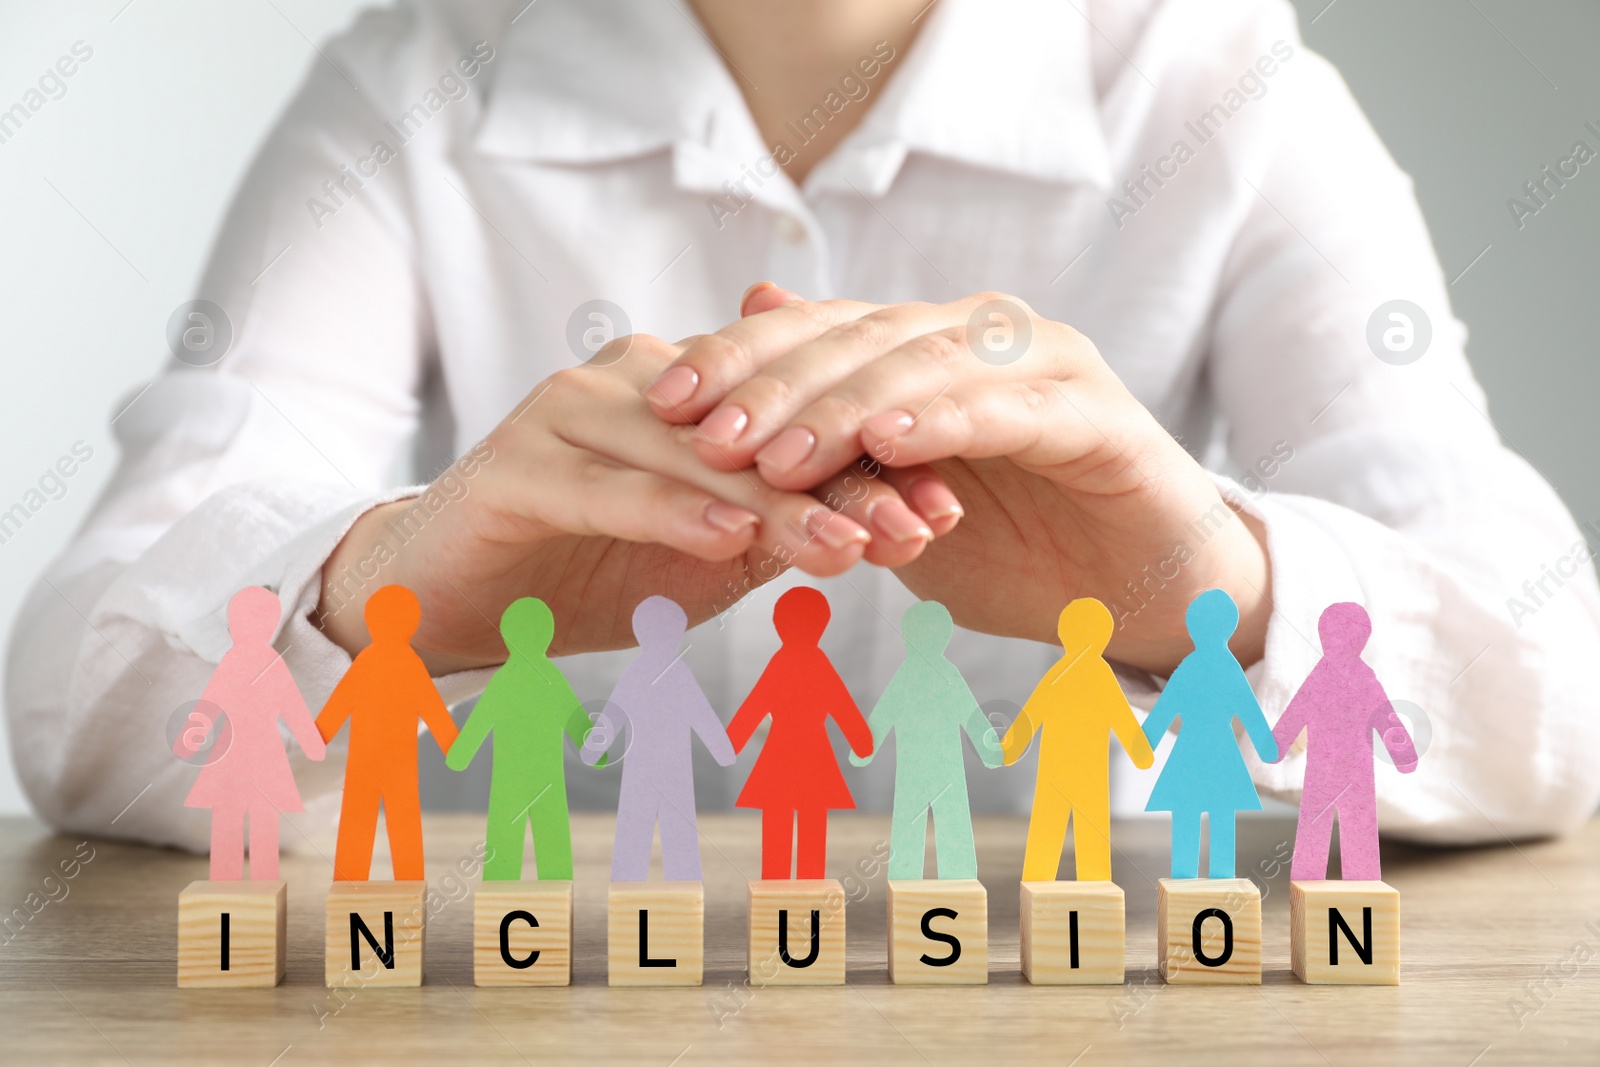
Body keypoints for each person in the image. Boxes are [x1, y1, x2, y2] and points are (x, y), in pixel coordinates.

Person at [10, 0, 1600, 851]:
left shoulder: (1222, 83)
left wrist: (1217, 578)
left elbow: (1562, 701)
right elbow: (76, 689)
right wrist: (380, 592)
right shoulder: (416, 78)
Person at [174, 586, 327, 881]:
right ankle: (252, 882)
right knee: (259, 818)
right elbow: (292, 708)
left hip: (239, 754)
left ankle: (235, 880)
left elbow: (211, 705)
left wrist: (188, 740)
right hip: (260, 755)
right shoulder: (265, 662)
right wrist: (311, 743)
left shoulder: (239, 661)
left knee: (234, 819)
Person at [581, 596, 737, 882]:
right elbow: (702, 715)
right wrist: (723, 751)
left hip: (641, 771)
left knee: (636, 829)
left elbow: (611, 716)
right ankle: (680, 886)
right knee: (675, 831)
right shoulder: (678, 674)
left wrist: (593, 749)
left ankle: (633, 886)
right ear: (678, 633)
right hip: (671, 772)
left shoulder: (637, 673)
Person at [1004, 597, 1154, 883]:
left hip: (1059, 770)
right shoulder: (1096, 674)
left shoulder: (1060, 675)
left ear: (1063, 633)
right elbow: (1121, 716)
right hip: (1088, 772)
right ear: (1104, 636)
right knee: (1089, 826)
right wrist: (1141, 752)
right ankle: (1084, 881)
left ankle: (1049, 879)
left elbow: (1030, 716)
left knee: (1051, 824)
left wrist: (1009, 748)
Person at [727, 587, 873, 879]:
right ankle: (806, 882)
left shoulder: (781, 662)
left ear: (779, 624)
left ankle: (778, 882)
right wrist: (862, 742)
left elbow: (755, 705)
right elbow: (843, 707)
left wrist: (730, 742)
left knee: (779, 820)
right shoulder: (818, 663)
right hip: (814, 758)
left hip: (780, 757)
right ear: (823, 625)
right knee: (812, 822)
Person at [315, 584, 459, 881]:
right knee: (398, 820)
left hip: (369, 762)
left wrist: (317, 739)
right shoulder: (408, 664)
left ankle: (355, 881)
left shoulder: (370, 662)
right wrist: (453, 746)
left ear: (370, 621)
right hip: (395, 762)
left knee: (362, 819)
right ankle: (403, 881)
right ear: (413, 624)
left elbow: (339, 704)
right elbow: (432, 708)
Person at [850, 600, 1002, 881]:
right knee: (950, 821)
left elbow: (884, 714)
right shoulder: (945, 675)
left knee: (912, 821)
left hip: (915, 770)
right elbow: (972, 716)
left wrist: (863, 751)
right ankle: (952, 877)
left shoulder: (908, 676)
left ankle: (920, 879)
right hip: (946, 770)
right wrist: (990, 749)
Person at [446, 597, 593, 881]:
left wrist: (460, 754)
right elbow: (576, 721)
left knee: (506, 834)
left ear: (507, 635)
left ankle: (511, 890)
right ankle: (553, 890)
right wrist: (593, 750)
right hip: (546, 777)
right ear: (547, 635)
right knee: (551, 835)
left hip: (509, 778)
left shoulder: (506, 680)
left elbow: (481, 721)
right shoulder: (550, 678)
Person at [1273, 602, 1419, 881]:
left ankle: (1350, 885)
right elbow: (1386, 718)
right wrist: (1404, 756)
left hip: (1335, 771)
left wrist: (1276, 746)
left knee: (1346, 829)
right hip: (1346, 772)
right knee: (1340, 829)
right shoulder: (1357, 678)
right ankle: (1313, 884)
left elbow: (1384, 717)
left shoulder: (1336, 677)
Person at [1142, 590, 1280, 879]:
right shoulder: (1223, 668)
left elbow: (1166, 709)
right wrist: (1266, 746)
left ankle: (1207, 875)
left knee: (1190, 812)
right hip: (1219, 753)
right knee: (1219, 813)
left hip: (1194, 752)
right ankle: (1208, 875)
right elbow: (1248, 710)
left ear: (1192, 627)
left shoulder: (1191, 667)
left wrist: (1144, 743)